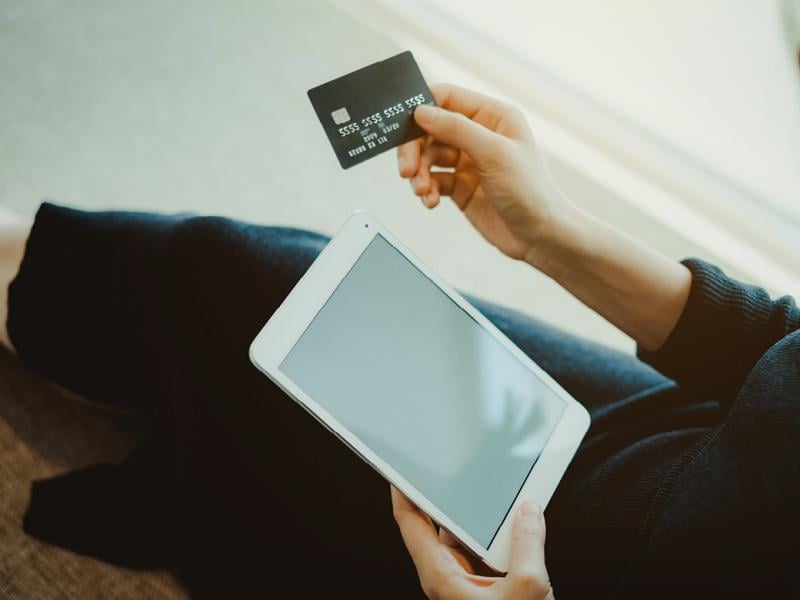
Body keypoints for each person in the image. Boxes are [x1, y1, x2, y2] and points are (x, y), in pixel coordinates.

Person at [0, 84, 797, 599]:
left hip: (582, 573)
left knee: (268, 460)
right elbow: (774, 341)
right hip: (690, 437)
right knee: (252, 274)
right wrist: (555, 234)